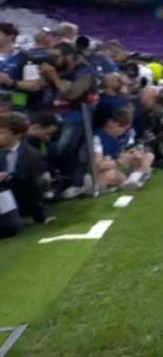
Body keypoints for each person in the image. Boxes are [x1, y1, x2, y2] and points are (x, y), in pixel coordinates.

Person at [40, 43, 98, 199]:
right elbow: (39, 86)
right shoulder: (56, 69)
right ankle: (60, 181)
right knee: (49, 148)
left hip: (77, 114)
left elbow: (73, 94)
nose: (53, 60)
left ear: (69, 56)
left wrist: (54, 77)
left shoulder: (85, 70)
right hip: (53, 113)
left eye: (57, 56)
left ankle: (76, 183)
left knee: (64, 148)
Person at [0, 112, 53, 239]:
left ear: (17, 134)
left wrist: (41, 216)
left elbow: (33, 187)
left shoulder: (30, 156)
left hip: (17, 202)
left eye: (2, 133)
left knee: (10, 228)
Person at [94, 106, 153, 191]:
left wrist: (134, 154)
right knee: (109, 174)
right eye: (122, 128)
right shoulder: (98, 138)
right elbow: (98, 166)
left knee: (148, 156)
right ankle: (133, 179)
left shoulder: (123, 135)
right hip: (110, 168)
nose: (124, 131)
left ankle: (134, 178)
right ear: (111, 123)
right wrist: (119, 161)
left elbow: (127, 150)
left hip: (121, 166)